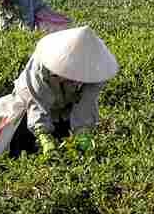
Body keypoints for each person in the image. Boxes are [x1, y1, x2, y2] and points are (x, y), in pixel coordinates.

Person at [8, 26, 119, 157]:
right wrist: (44, 136)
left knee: (65, 132)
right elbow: (37, 102)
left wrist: (83, 133)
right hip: (30, 100)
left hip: (66, 100)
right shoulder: (40, 68)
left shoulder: (97, 72)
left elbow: (86, 104)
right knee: (22, 131)